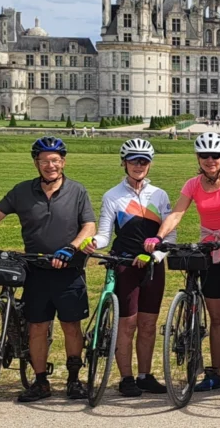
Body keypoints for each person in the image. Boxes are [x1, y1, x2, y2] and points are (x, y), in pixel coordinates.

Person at [0, 136, 97, 402]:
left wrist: (72, 247)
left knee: (71, 326)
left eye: (55, 160)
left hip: (69, 269)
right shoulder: (22, 191)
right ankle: (41, 381)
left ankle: (74, 379)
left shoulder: (77, 191)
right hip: (36, 270)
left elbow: (89, 226)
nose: (50, 166)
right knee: (36, 327)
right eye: (44, 161)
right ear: (36, 163)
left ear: (63, 162)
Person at [145, 132, 220, 392]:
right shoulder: (193, 184)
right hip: (211, 251)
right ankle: (214, 373)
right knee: (217, 317)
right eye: (204, 155)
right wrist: (159, 236)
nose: (210, 160)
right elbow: (178, 212)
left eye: (215, 155)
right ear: (198, 158)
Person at [85, 138, 175, 397]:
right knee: (128, 324)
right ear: (124, 163)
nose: (138, 165)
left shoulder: (159, 195)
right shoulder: (112, 196)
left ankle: (145, 375)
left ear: (150, 164)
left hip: (153, 265)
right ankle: (126, 378)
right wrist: (94, 242)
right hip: (125, 264)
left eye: (143, 161)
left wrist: (155, 255)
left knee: (148, 324)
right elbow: (104, 234)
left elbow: (170, 236)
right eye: (133, 160)